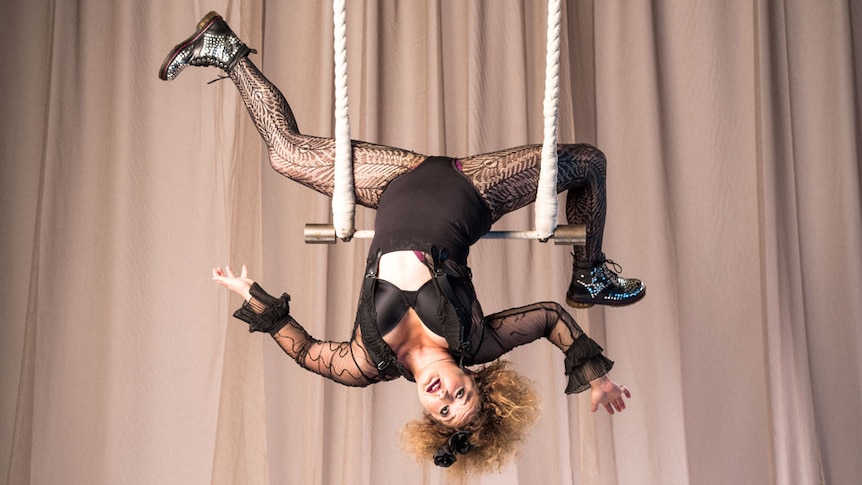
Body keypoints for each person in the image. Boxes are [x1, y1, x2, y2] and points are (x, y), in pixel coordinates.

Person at [160, 11, 644, 475]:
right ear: (475, 380)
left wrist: (254, 298)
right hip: (473, 188)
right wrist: (594, 374)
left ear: (428, 414)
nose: (445, 396)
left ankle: (225, 49)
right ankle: (591, 271)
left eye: (444, 412)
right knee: (587, 161)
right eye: (463, 397)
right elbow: (548, 318)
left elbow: (306, 350)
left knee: (284, 154)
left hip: (397, 180)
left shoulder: (365, 361)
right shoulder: (476, 342)